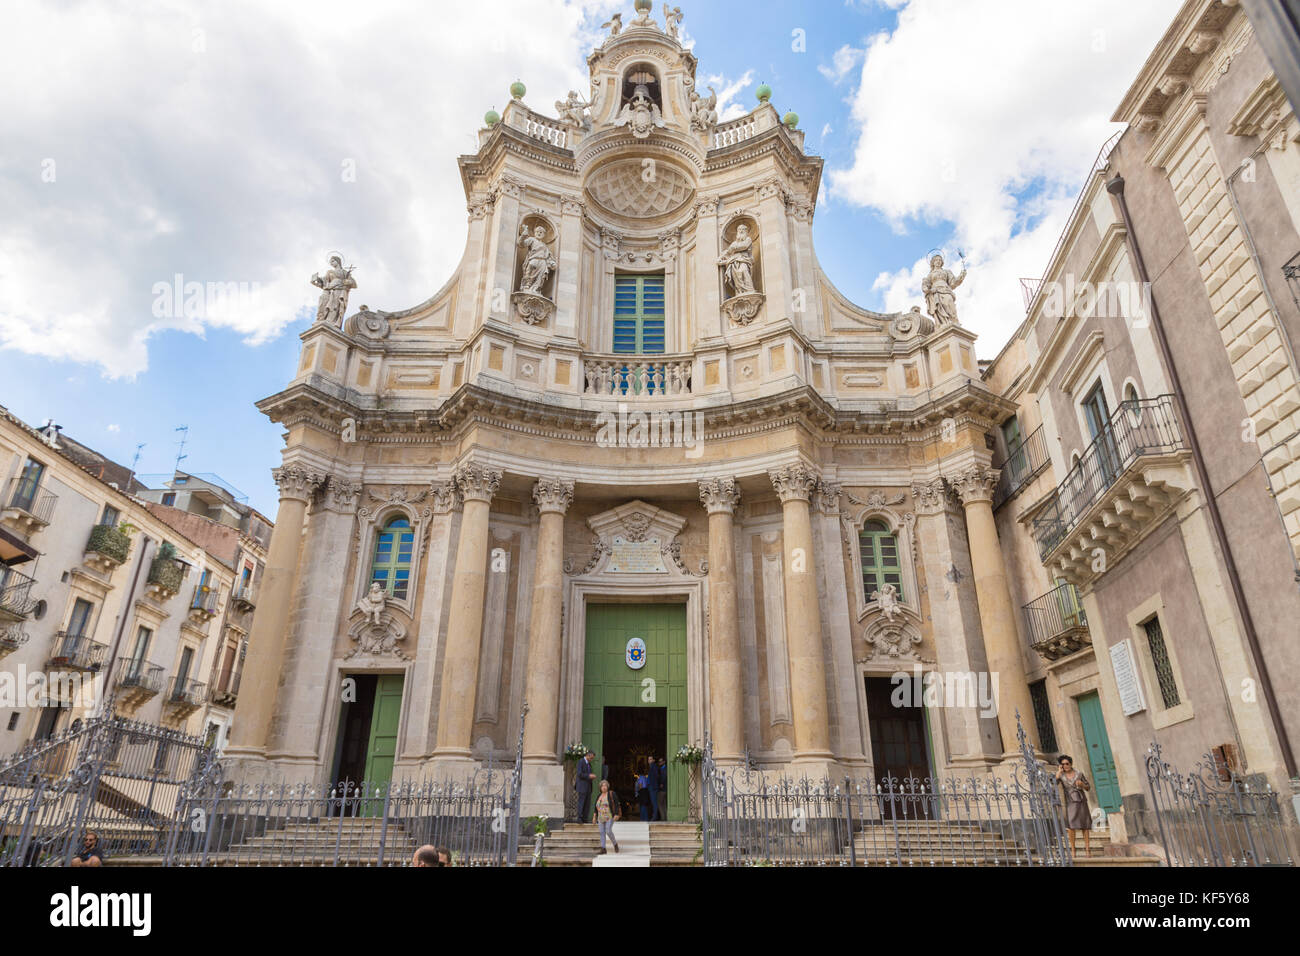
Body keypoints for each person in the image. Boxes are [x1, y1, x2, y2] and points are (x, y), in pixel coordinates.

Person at [1055, 754, 1093, 856]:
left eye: (1067, 764)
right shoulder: (1061, 776)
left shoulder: (1079, 774)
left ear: (1071, 764)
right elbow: (1053, 783)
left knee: (1085, 825)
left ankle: (1087, 849)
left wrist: (1082, 785)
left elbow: (1088, 787)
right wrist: (1058, 772)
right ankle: (1073, 849)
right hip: (1070, 803)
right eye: (1062, 764)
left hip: (1081, 801)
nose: (1065, 766)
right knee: (1071, 826)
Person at [595, 779, 621, 855]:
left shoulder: (611, 794)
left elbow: (616, 804)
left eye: (605, 785)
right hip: (600, 817)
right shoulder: (599, 796)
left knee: (608, 830)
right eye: (602, 786)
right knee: (602, 832)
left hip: (609, 816)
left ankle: (615, 844)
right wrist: (594, 816)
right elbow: (595, 807)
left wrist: (616, 814)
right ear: (600, 787)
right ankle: (603, 849)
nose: (604, 787)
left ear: (607, 786)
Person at [575, 750, 596, 823]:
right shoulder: (581, 762)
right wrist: (589, 776)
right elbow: (579, 774)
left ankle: (585, 818)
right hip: (582, 786)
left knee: (587, 803)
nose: (592, 759)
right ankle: (579, 818)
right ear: (588, 755)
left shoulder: (589, 764)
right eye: (591, 758)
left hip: (588, 787)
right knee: (581, 802)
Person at [646, 755, 662, 823]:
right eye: (648, 759)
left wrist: (655, 785)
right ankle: (655, 816)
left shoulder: (654, 766)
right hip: (651, 787)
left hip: (653, 787)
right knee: (653, 802)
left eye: (650, 759)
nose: (649, 761)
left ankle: (655, 817)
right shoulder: (651, 767)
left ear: (653, 760)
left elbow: (657, 776)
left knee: (654, 802)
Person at [656, 756, 668, 821]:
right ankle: (665, 817)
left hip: (663, 789)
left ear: (664, 762)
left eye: (661, 761)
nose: (659, 763)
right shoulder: (661, 769)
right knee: (663, 804)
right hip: (664, 789)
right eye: (659, 761)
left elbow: (663, 777)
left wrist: (661, 784)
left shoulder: (664, 769)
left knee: (660, 803)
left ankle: (663, 818)